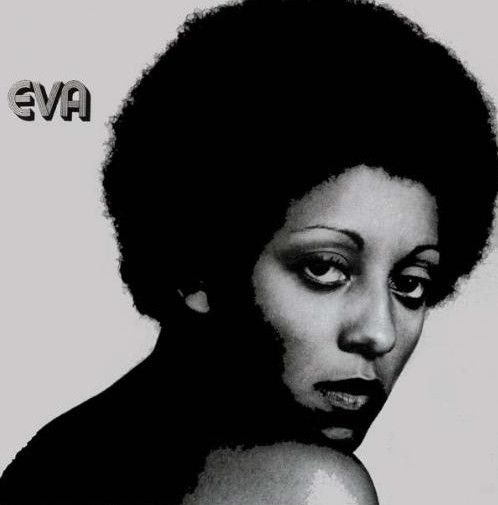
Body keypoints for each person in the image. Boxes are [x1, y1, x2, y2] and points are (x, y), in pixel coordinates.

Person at [0, 0, 496, 503]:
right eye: (324, 269)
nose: (378, 333)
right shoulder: (311, 488)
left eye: (410, 284)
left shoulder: (58, 454)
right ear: (196, 269)